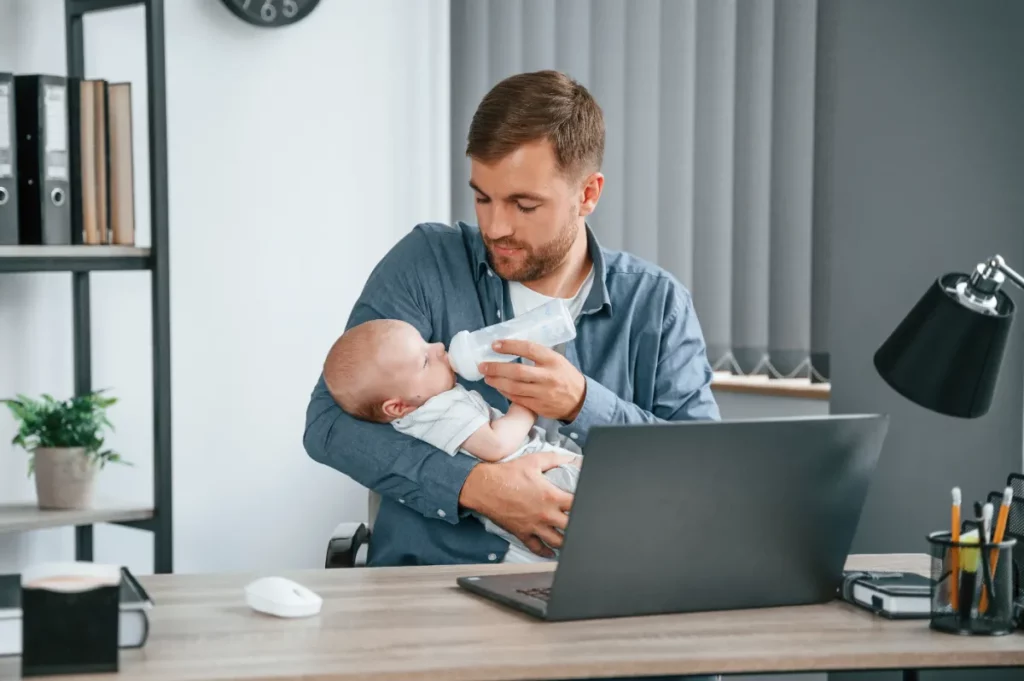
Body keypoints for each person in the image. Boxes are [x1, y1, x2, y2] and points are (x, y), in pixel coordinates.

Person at [303, 69, 721, 568]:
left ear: (587, 194)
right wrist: (476, 486)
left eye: (524, 205)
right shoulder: (426, 263)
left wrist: (583, 403)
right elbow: (328, 424)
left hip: (600, 586)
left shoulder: (656, 305)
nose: (496, 226)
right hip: (435, 587)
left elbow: (706, 468)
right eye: (482, 197)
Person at [320, 317, 581, 563]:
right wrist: (526, 404)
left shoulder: (427, 401)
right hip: (539, 486)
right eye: (424, 361)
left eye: (426, 342)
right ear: (398, 407)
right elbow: (496, 446)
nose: (439, 347)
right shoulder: (436, 411)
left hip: (538, 479)